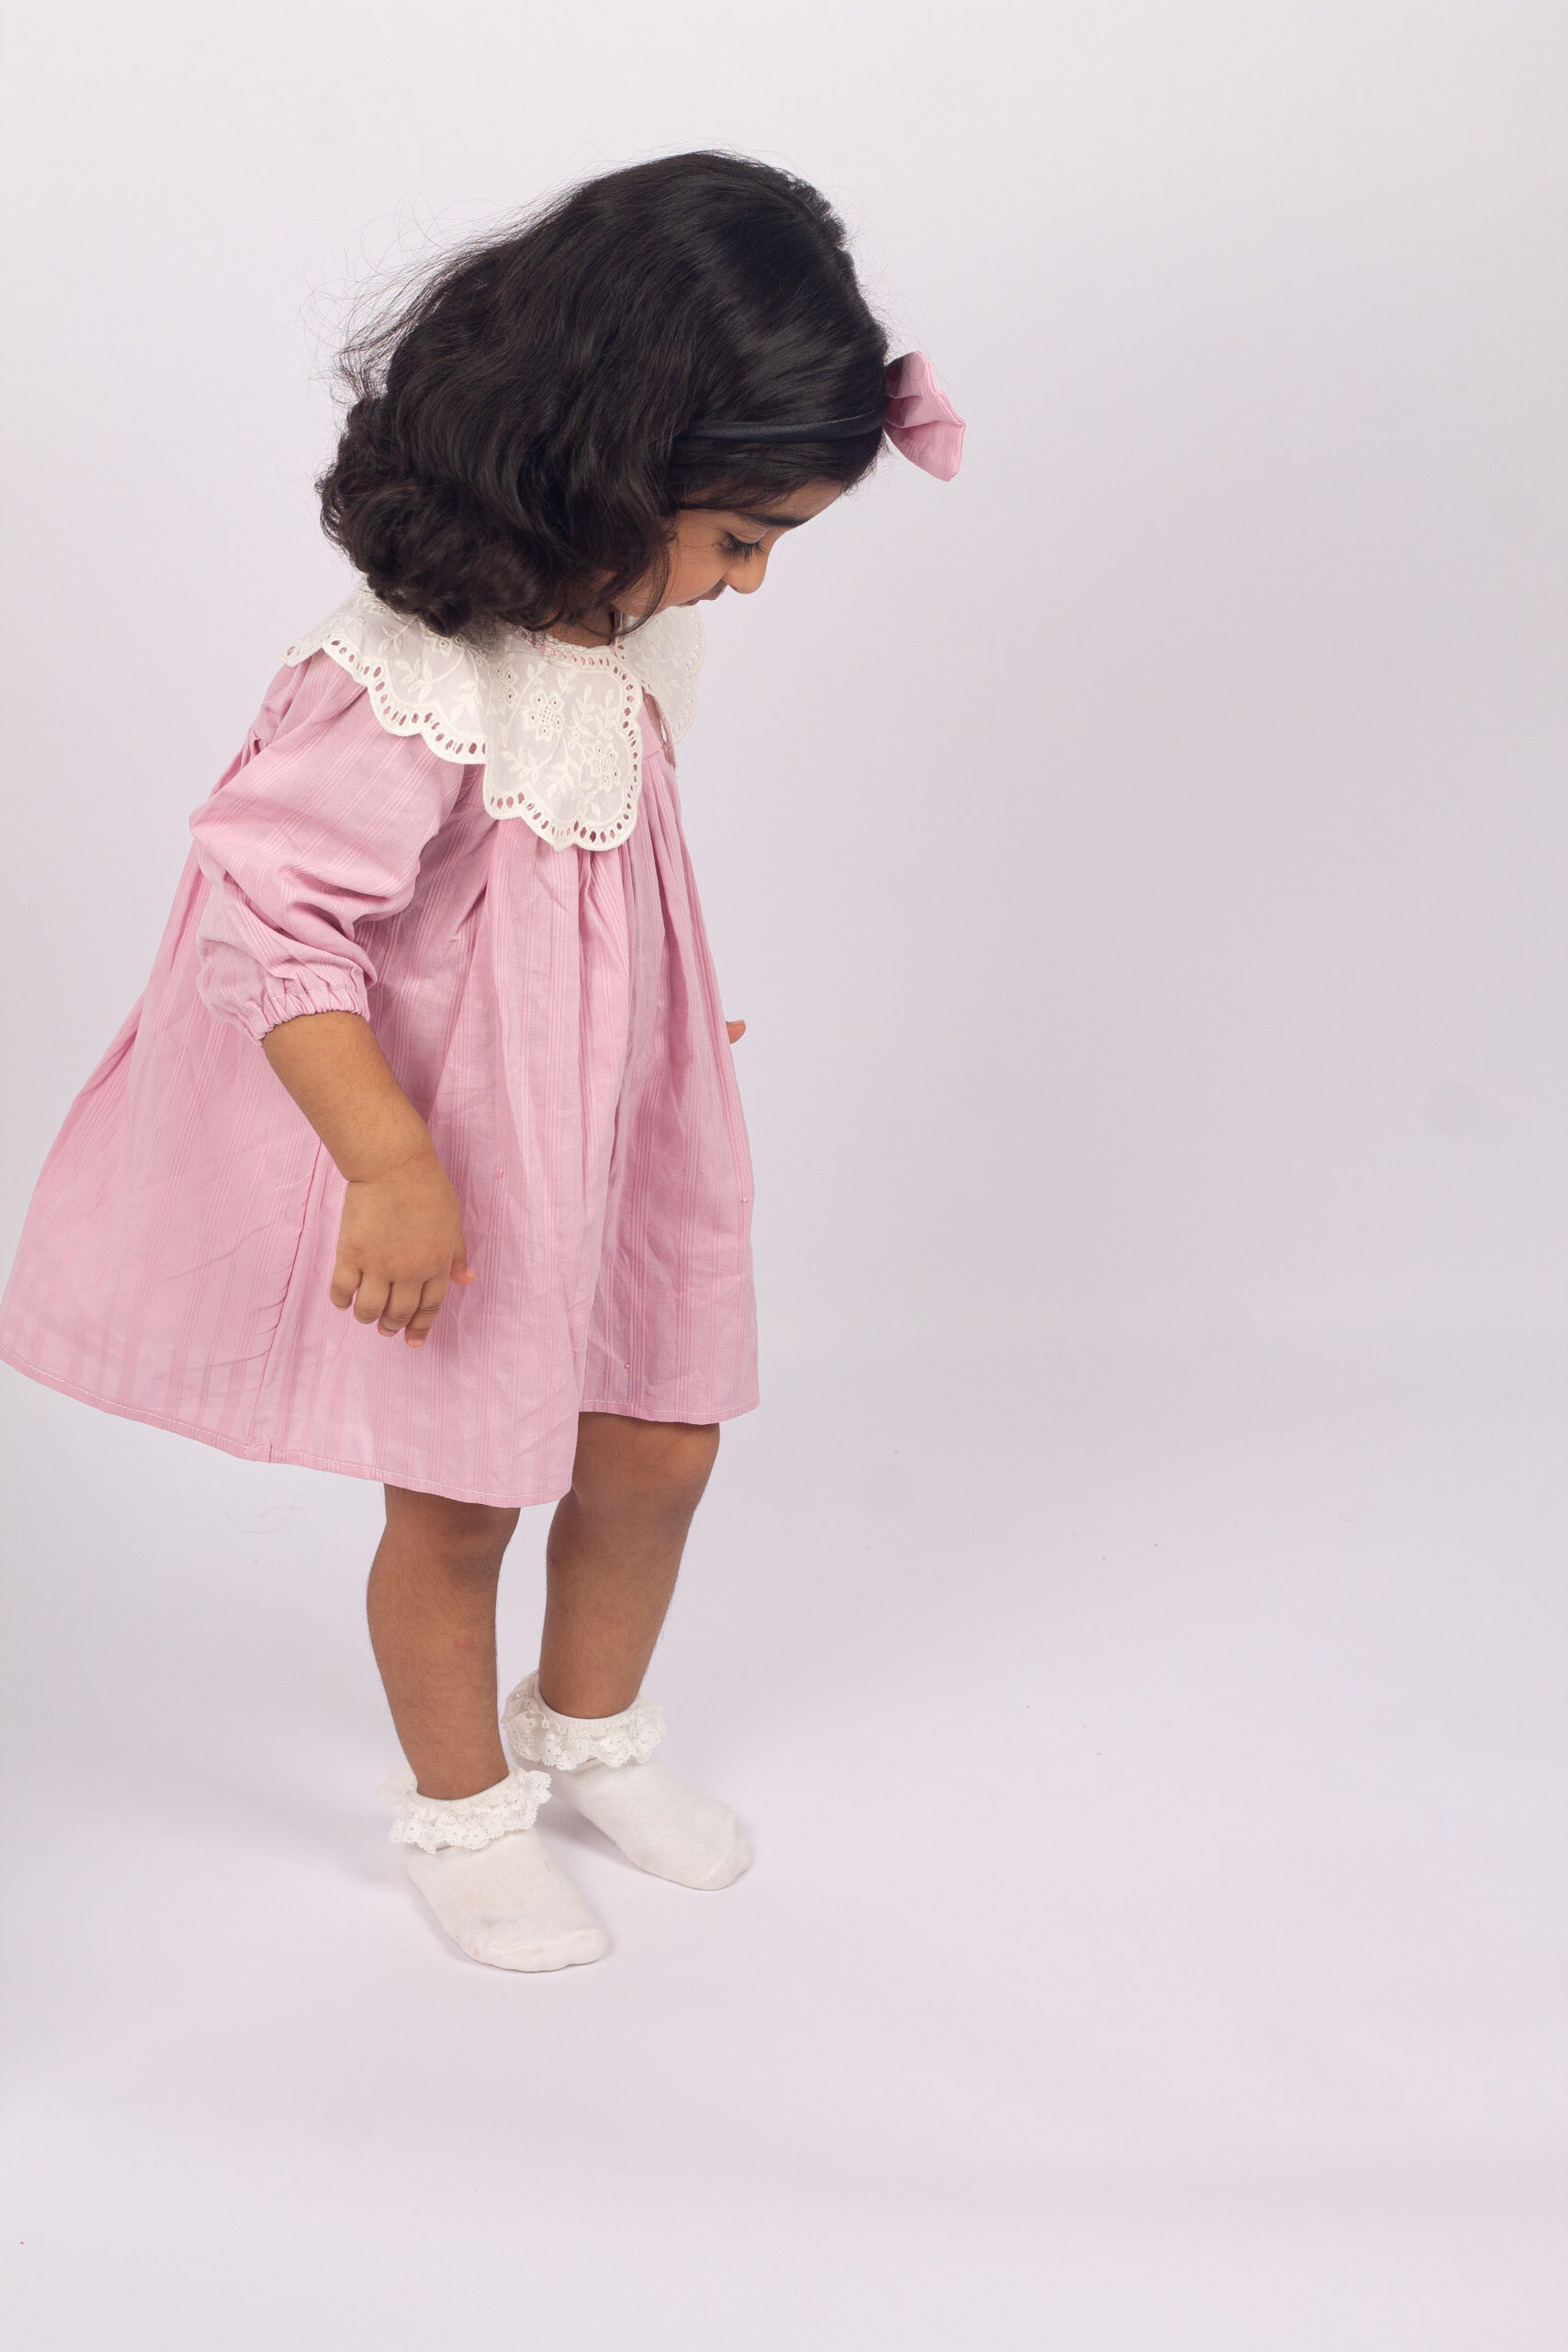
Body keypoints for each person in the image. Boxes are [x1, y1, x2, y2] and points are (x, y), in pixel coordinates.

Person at [0, 151, 963, 1973]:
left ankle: (591, 1730)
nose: (748, 583)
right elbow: (264, 920)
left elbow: (582, 876)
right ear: (607, 463)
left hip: (621, 1123)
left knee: (661, 1438)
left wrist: (649, 1015)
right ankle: (463, 1809)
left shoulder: (635, 637)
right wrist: (388, 1162)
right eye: (738, 537)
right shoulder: (404, 678)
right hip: (457, 1150)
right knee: (462, 1493)